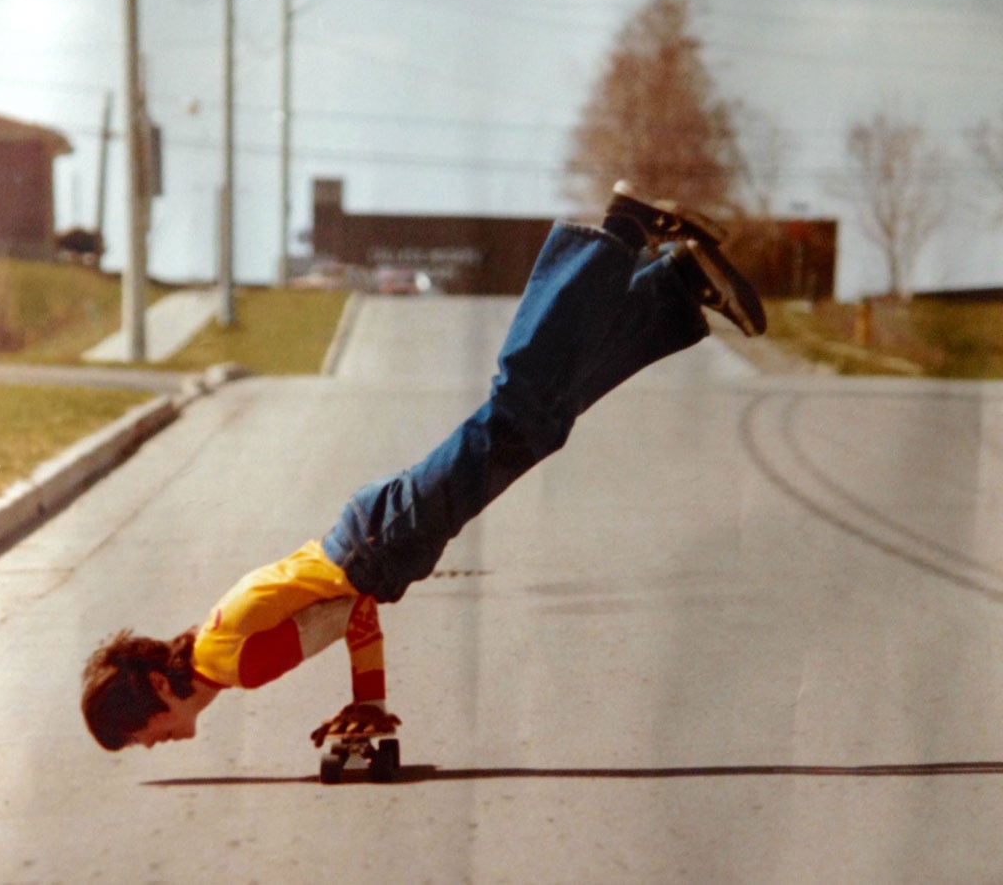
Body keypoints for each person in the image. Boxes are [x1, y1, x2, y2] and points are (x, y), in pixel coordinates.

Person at [80, 180, 767, 753]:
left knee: (519, 409)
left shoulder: (232, 662)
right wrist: (368, 701)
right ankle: (673, 289)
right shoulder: (218, 644)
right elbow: (347, 608)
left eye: (141, 737)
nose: (152, 745)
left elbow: (348, 605)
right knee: (539, 421)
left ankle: (622, 230)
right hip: (375, 541)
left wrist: (366, 698)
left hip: (383, 542)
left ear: (151, 703)